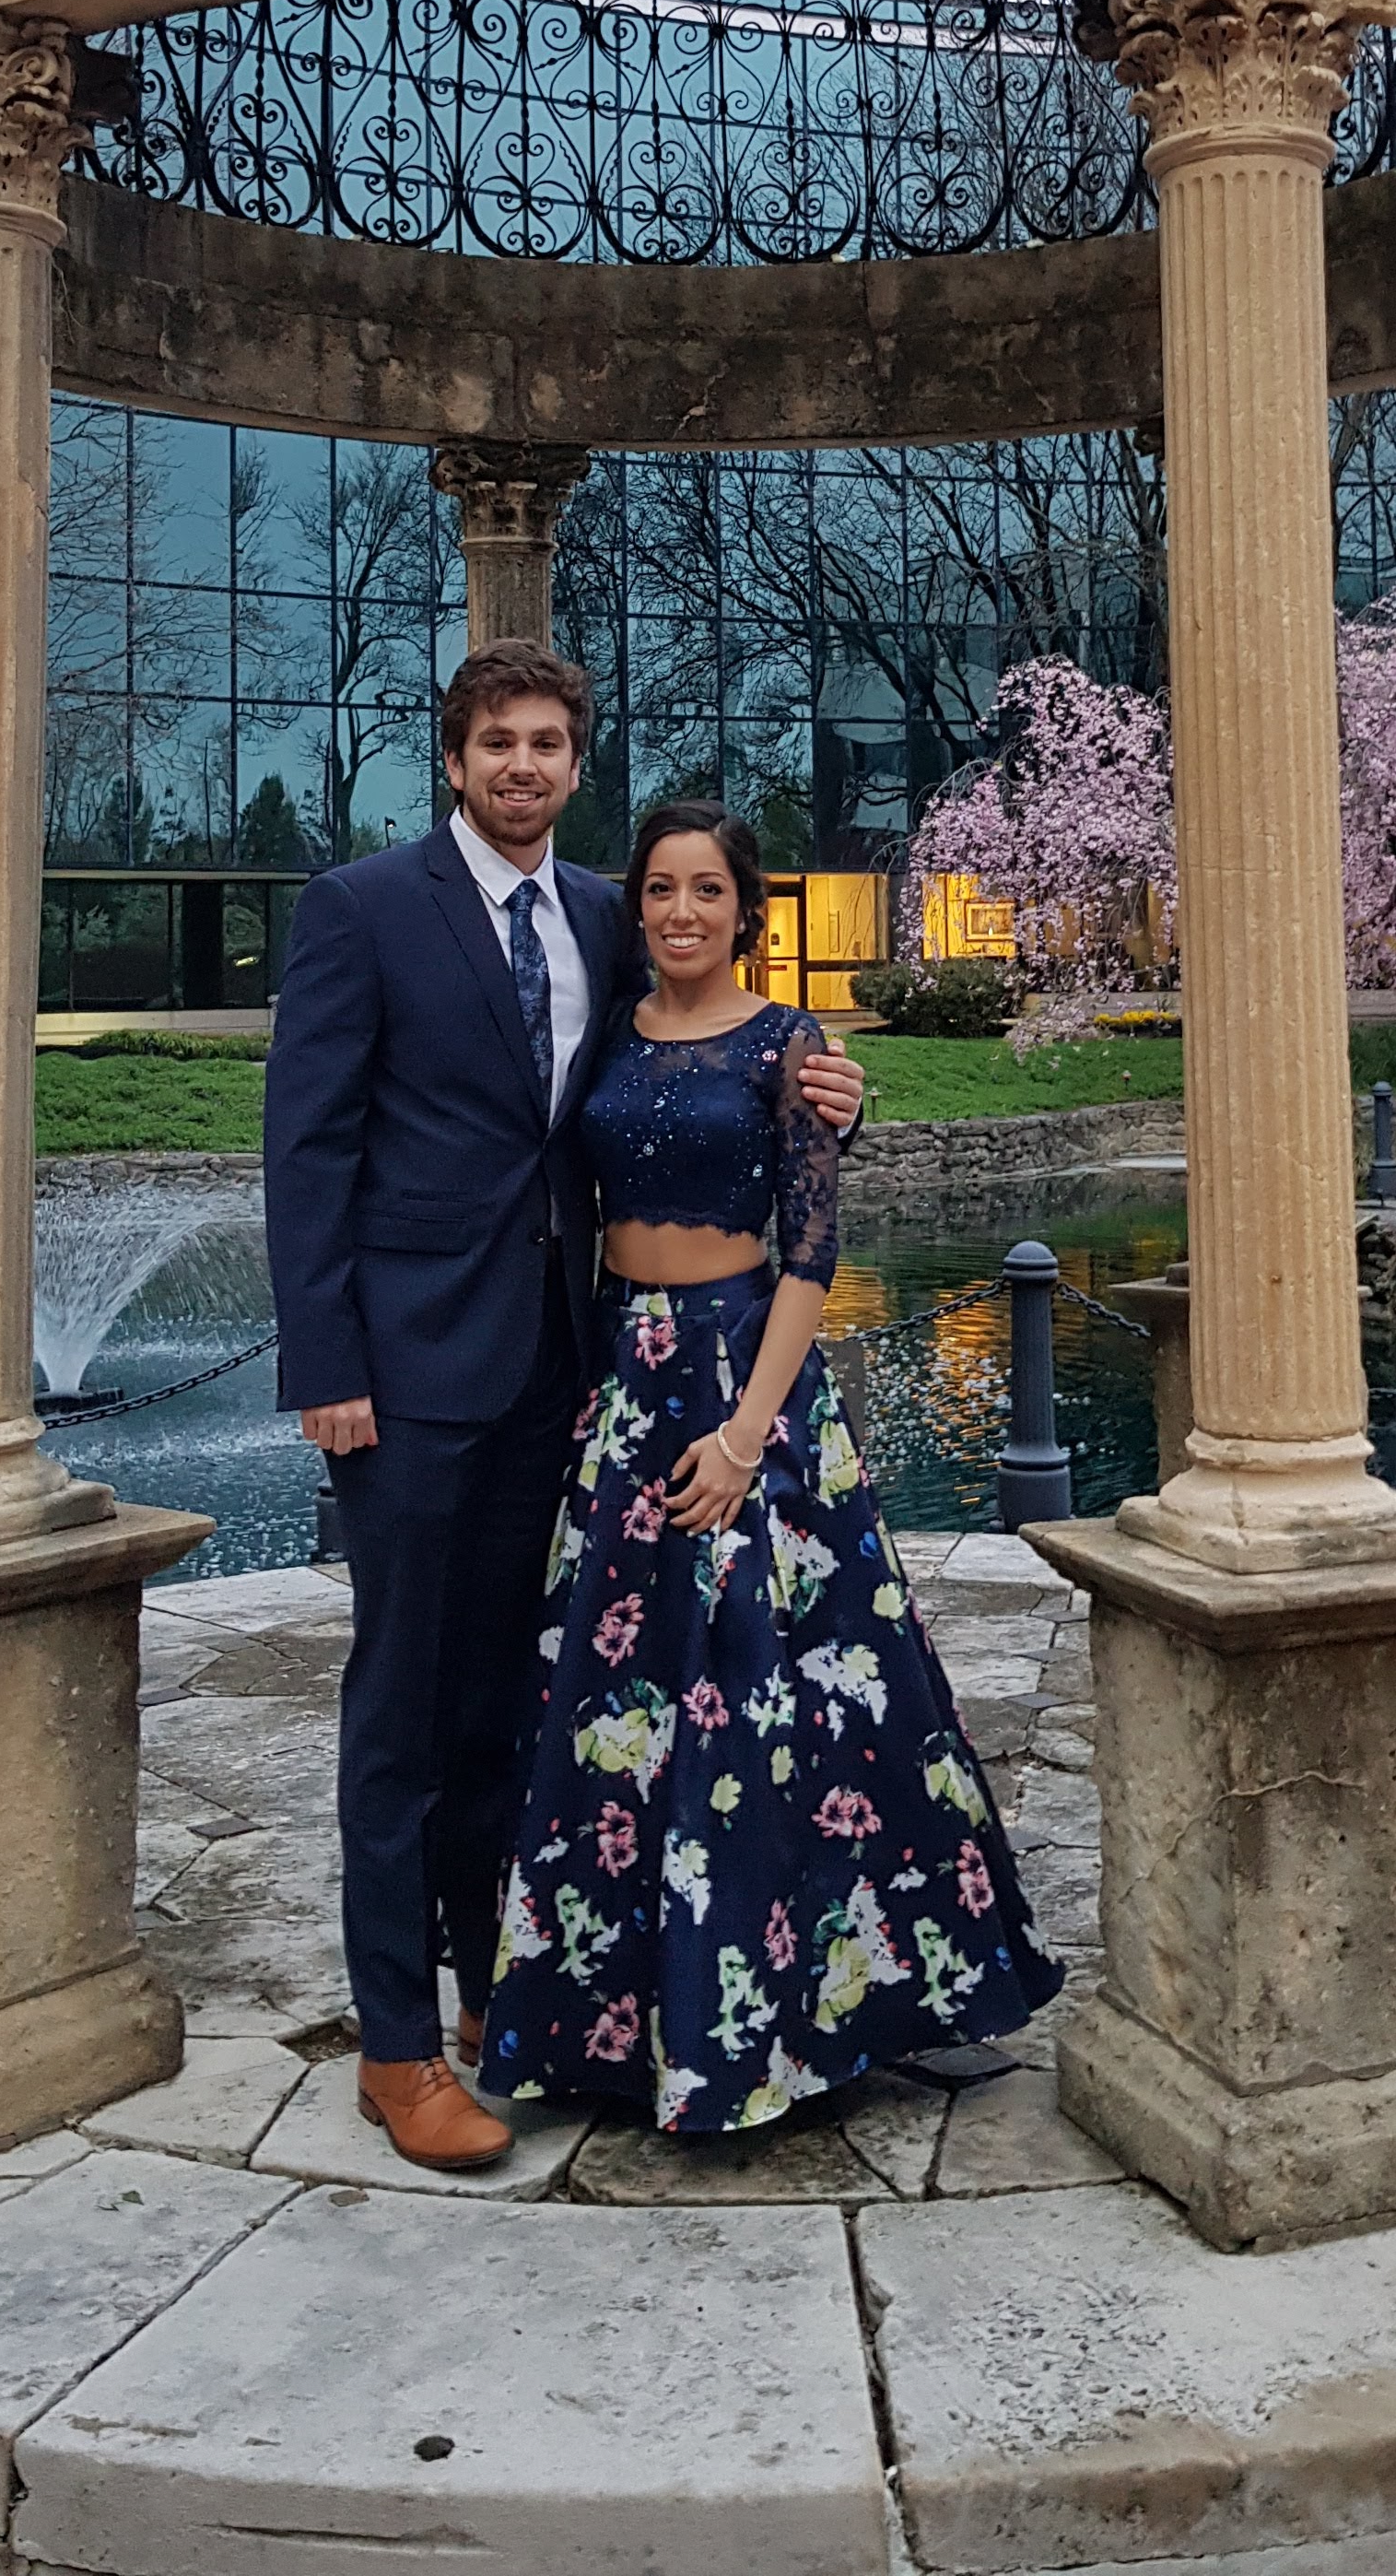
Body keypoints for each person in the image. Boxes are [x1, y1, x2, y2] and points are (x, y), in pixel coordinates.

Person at [265, 645, 865, 2173]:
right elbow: (307, 1155)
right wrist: (323, 1366)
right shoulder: (361, 911)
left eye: (545, 743)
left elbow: (711, 1062)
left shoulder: (610, 910)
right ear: (452, 761)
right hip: (400, 1378)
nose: (521, 766)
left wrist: (837, 1086)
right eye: (494, 745)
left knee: (502, 1708)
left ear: (573, 763)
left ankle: (491, 2002)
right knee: (399, 1711)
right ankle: (393, 2050)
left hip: (564, 1373)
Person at [486, 798, 1060, 2134]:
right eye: (661, 892)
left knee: (770, 1699)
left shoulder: (794, 1045)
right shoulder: (609, 1033)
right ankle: (616, 2018)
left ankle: (789, 2017)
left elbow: (813, 1252)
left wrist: (747, 1435)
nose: (682, 913)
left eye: (707, 892)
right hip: (625, 1384)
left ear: (746, 910)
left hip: (749, 1377)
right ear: (639, 909)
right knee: (617, 1703)